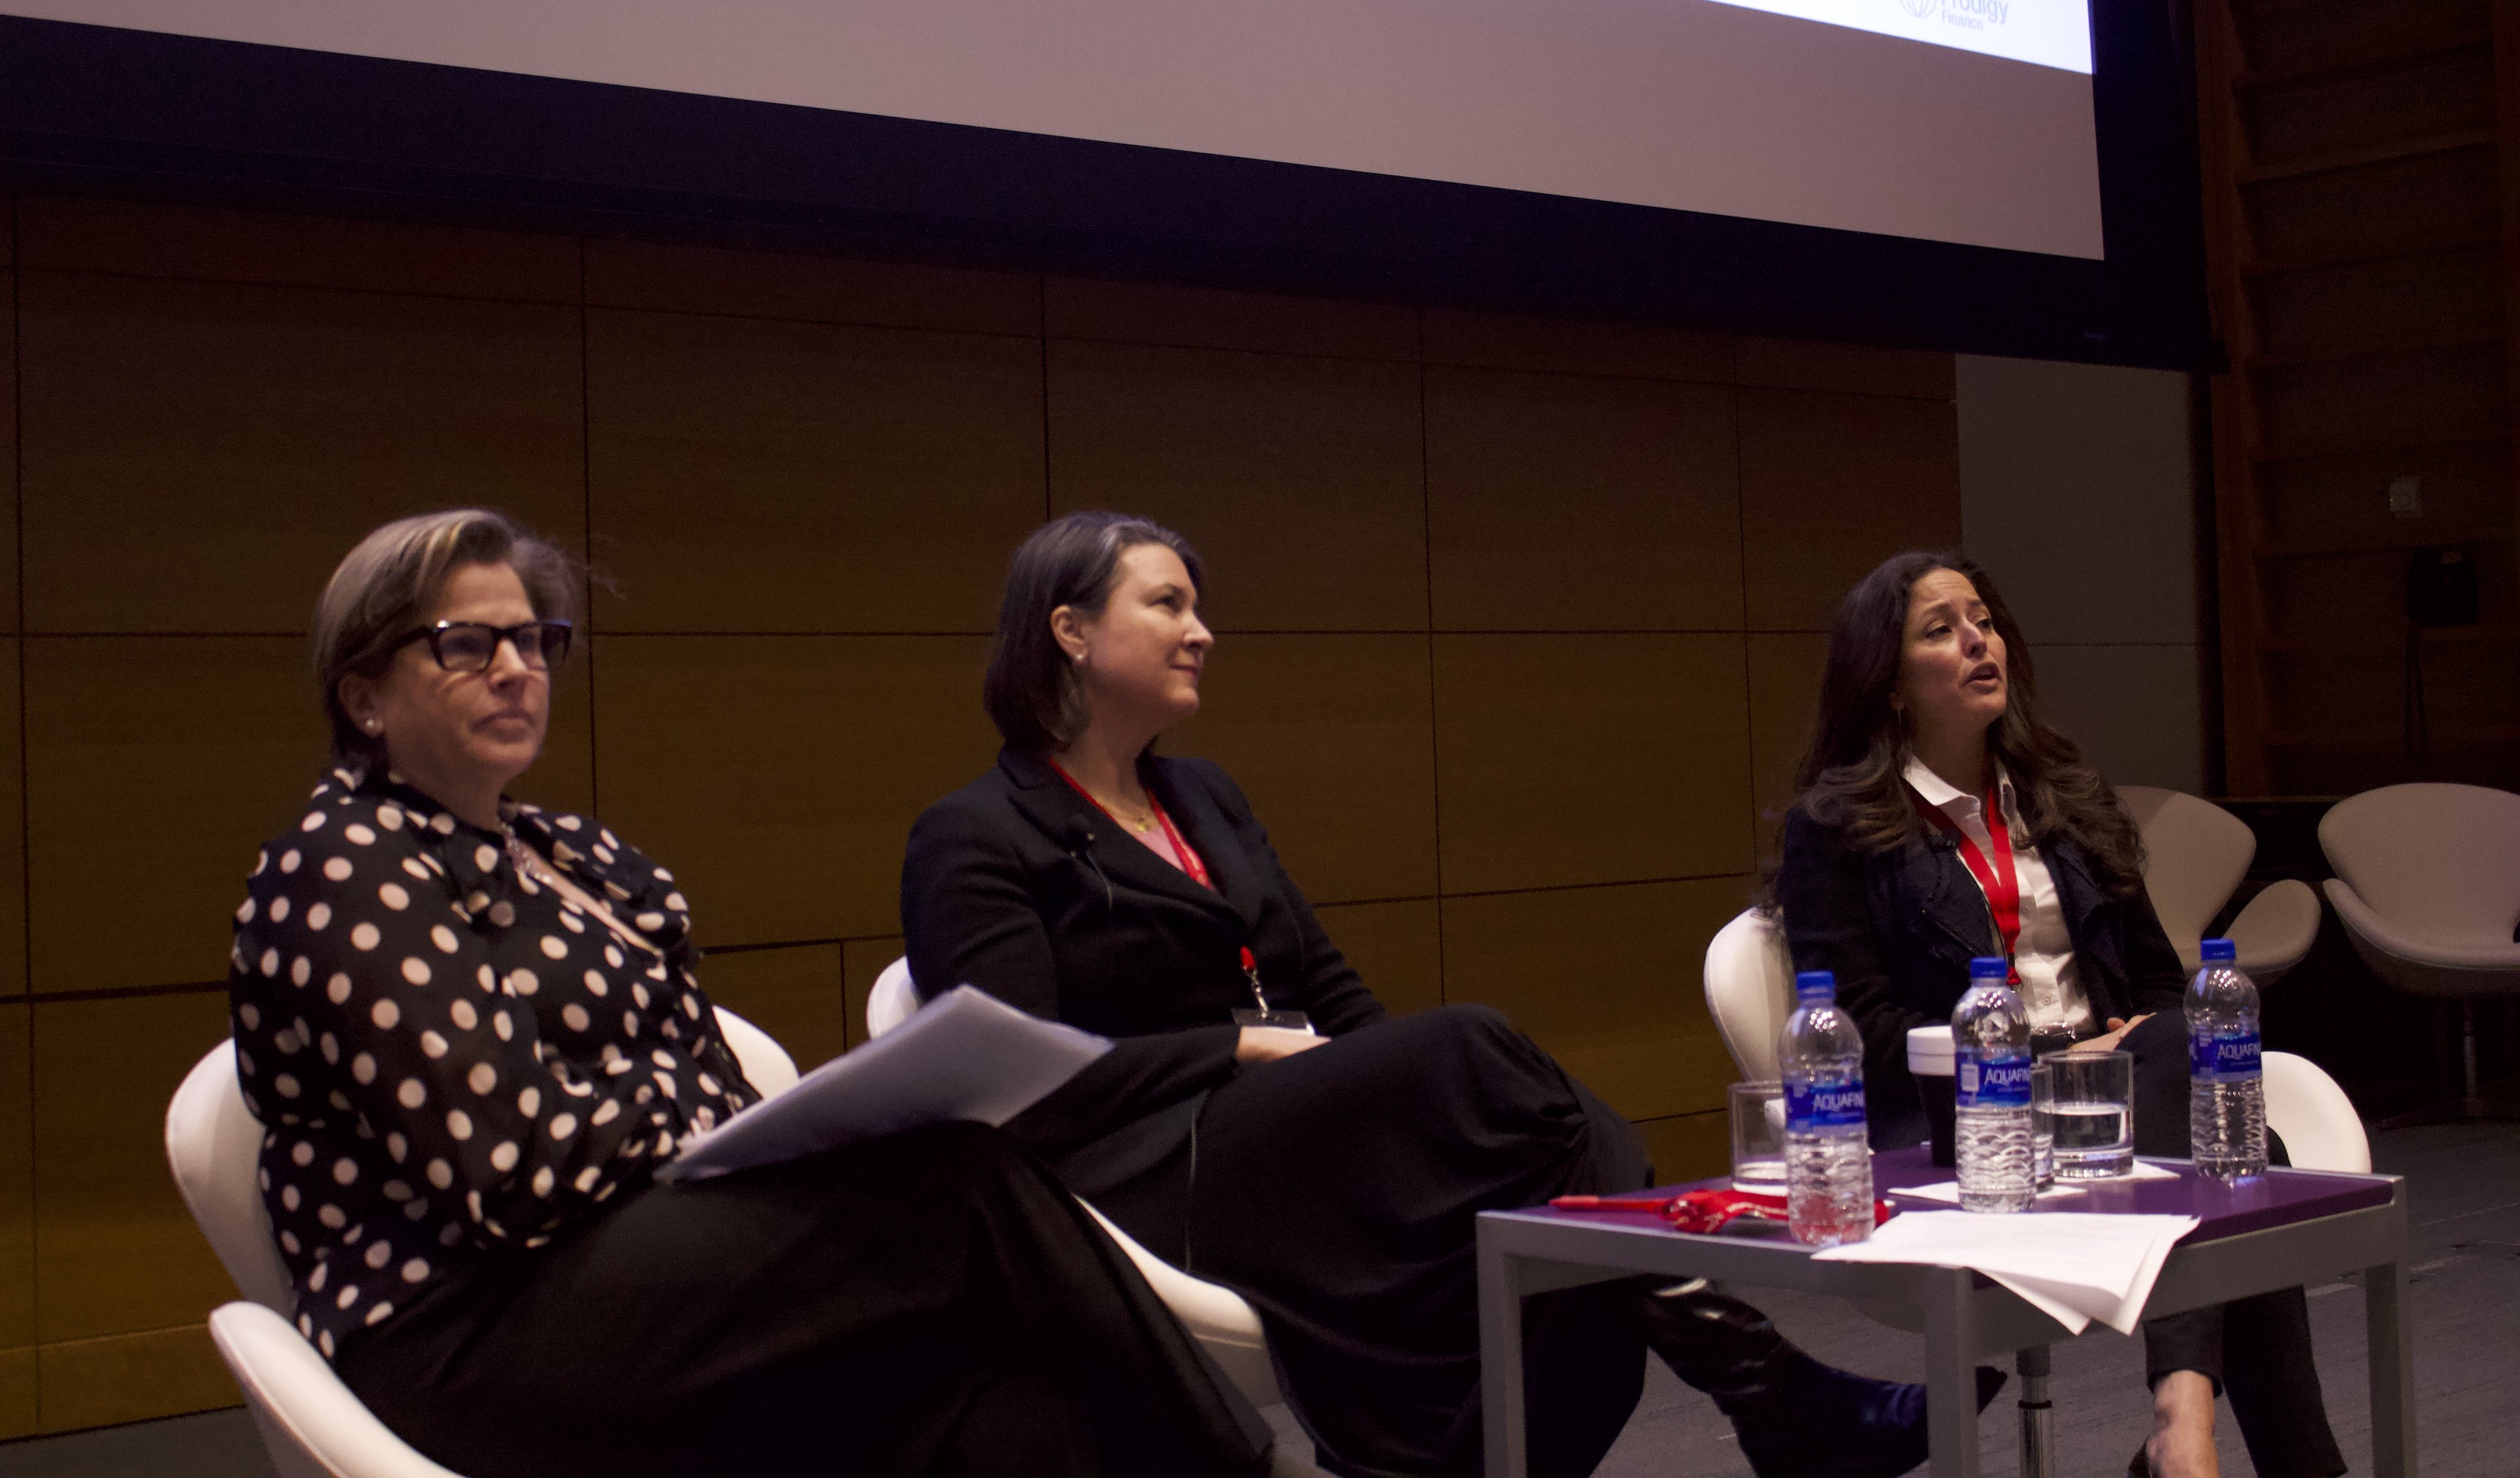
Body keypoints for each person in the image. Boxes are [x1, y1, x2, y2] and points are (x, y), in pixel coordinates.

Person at [902, 512, 2001, 1478]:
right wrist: (1234, 1053)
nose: (1203, 631)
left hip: (1296, 1139)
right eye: (1168, 604)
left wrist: (1407, 1094)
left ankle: (1698, 1409)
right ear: (1070, 631)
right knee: (1487, 1058)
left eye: (1199, 606)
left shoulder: (1202, 796)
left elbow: (1319, 977)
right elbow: (1015, 1086)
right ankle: (1772, 1397)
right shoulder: (977, 836)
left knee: (1549, 1161)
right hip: (1149, 1172)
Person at [229, 508, 1277, 1478]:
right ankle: (1246, 1468)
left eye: (535, 642)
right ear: (364, 695)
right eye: (467, 645)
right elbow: (519, 1172)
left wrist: (726, 1121)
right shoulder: (341, 868)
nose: (516, 670)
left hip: (657, 1278)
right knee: (962, 1183)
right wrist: (686, 1117)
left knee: (1015, 1419)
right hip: (468, 1328)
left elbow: (719, 1096)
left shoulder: (580, 857)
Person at [1769, 550, 2348, 1478]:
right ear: (1888, 683)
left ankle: (2183, 1425)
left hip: (2121, 1102)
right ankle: (2218, 1442)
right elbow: (1867, 1038)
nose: (1976, 640)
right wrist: (2053, 1055)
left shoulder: (2065, 799)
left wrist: (2113, 1054)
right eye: (1940, 630)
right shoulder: (1839, 827)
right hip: (1973, 1127)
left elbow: (2164, 987)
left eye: (1984, 621)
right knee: (2251, 1160)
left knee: (2195, 1057)